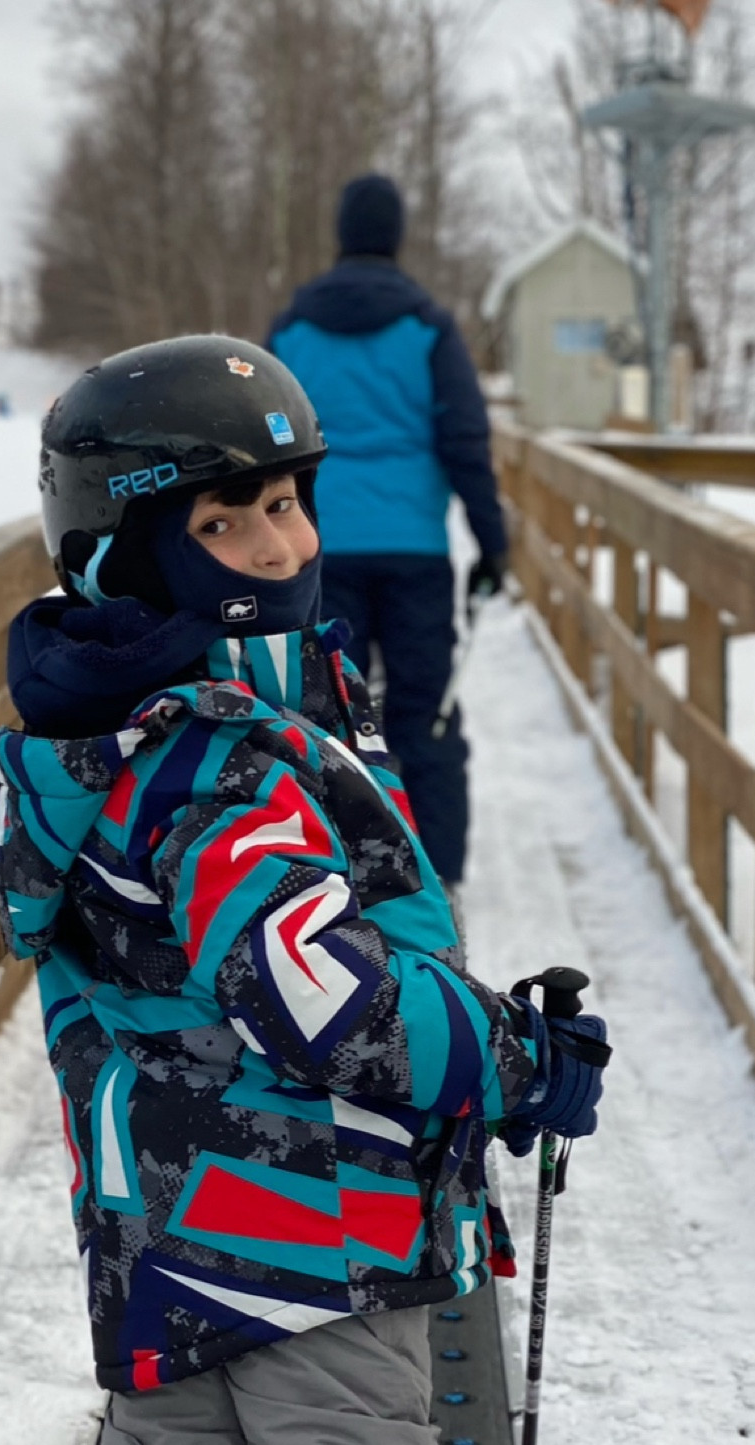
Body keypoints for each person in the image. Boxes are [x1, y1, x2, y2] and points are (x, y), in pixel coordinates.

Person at [0, 333, 610, 1445]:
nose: (279, 541)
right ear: (130, 540)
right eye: (231, 518)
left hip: (164, 1258)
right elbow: (306, 985)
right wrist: (494, 1054)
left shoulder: (86, 713)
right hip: (313, 1246)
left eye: (288, 503)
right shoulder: (209, 747)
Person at [266, 174, 508, 902]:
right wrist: (492, 543)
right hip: (414, 554)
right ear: (395, 234)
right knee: (422, 710)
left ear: (341, 232)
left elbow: (263, 439)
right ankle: (441, 879)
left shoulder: (291, 332)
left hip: (318, 551)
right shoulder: (427, 328)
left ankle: (329, 871)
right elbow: (464, 438)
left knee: (322, 709)